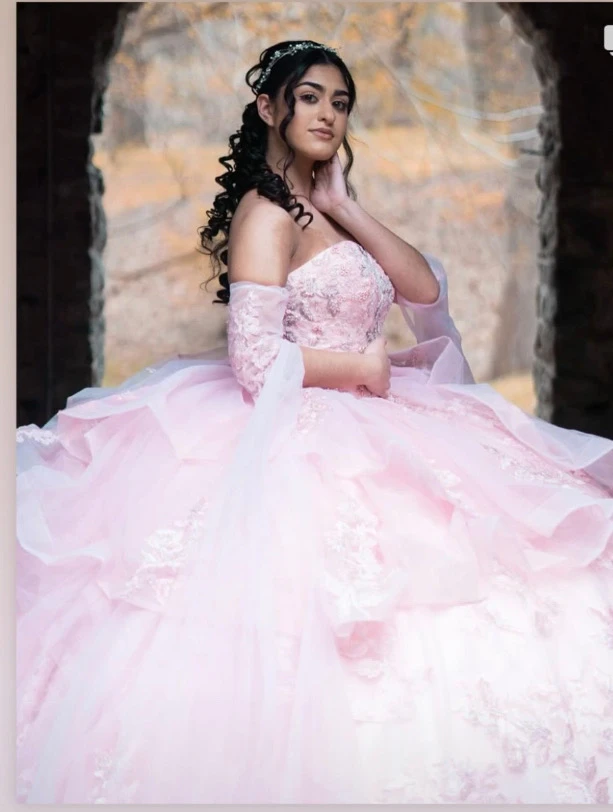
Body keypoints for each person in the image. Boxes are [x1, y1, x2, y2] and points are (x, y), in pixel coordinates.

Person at [16, 39, 613, 804]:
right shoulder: (264, 216)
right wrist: (358, 369)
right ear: (268, 107)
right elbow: (256, 362)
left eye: (339, 102)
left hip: (374, 416)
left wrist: (346, 207)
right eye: (309, 97)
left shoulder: (322, 210)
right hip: (300, 423)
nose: (328, 113)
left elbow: (421, 287)